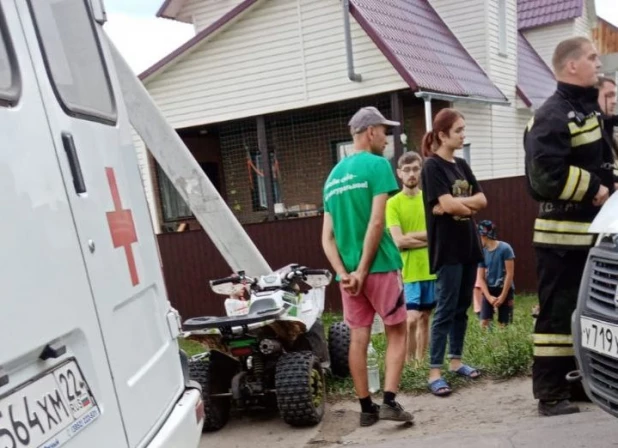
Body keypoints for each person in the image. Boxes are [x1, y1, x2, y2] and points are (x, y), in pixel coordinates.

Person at [523, 36, 614, 417]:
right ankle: (549, 393)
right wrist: (594, 188)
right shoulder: (551, 115)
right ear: (571, 65)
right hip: (560, 239)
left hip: (589, 237)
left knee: (587, 316)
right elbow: (542, 177)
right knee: (556, 319)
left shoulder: (586, 110)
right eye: (593, 58)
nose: (599, 64)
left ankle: (576, 382)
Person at [321, 106, 413, 427]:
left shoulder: (332, 177)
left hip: (348, 276)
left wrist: (345, 273)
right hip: (381, 266)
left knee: (359, 336)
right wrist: (363, 269)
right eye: (385, 132)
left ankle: (365, 409)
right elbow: (377, 222)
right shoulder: (377, 166)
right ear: (370, 131)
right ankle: (388, 400)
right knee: (397, 331)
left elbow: (327, 238)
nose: (387, 139)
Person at [420, 108, 488, 397]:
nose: (463, 135)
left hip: (468, 246)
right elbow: (446, 206)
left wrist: (458, 204)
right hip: (446, 249)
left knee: (461, 308)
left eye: (463, 129)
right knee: (445, 310)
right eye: (458, 131)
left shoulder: (461, 165)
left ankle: (456, 361)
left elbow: (483, 200)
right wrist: (462, 206)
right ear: (442, 134)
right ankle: (434, 372)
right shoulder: (432, 167)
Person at [386, 151, 436, 364]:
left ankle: (420, 363)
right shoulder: (393, 203)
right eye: (407, 170)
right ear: (399, 173)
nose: (411, 174)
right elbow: (398, 241)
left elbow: (438, 236)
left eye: (415, 168)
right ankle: (408, 364)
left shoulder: (429, 200)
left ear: (421, 170)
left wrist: (412, 237)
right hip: (407, 272)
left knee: (425, 318)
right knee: (411, 319)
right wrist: (427, 239)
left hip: (430, 269)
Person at [475, 220, 515, 329]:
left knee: (504, 325)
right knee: (484, 323)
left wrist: (502, 296)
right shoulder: (482, 252)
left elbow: (509, 274)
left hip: (505, 289)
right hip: (489, 290)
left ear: (484, 235)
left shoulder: (506, 249)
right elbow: (481, 277)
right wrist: (489, 297)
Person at [596, 76, 618, 189]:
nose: (614, 101)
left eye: (614, 96)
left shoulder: (608, 124)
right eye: (609, 96)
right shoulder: (590, 129)